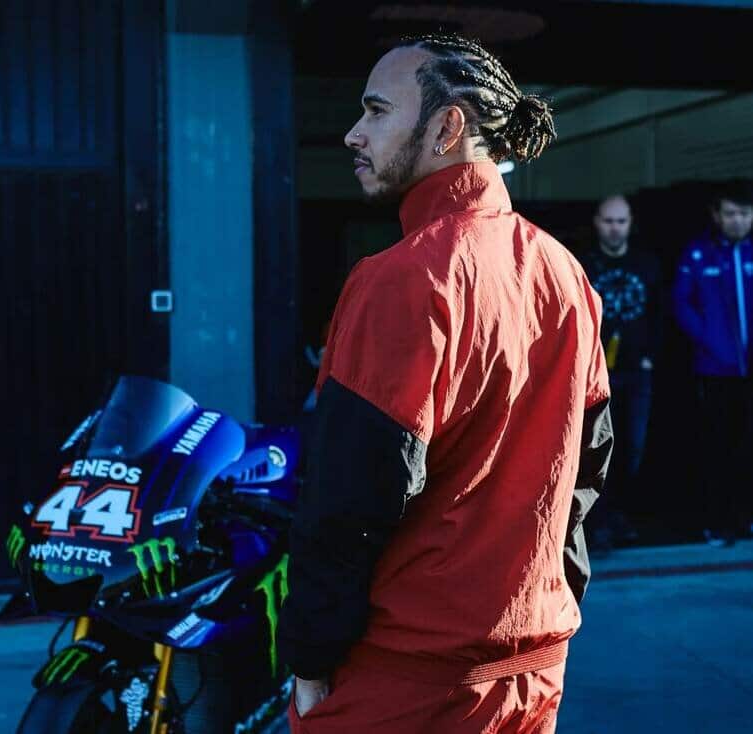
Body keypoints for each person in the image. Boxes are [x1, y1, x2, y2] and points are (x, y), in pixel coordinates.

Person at [276, 34, 613, 734]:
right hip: (533, 670)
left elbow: (349, 499)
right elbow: (586, 473)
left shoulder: (401, 277)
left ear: (447, 127)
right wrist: (543, 603)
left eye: (376, 111)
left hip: (408, 683)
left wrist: (309, 657)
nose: (354, 133)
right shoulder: (568, 275)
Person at [672, 179, 753, 547]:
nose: (738, 221)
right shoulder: (698, 254)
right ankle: (717, 522)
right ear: (717, 215)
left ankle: (745, 518)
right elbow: (681, 304)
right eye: (731, 214)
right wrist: (709, 342)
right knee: (717, 447)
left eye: (745, 214)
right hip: (715, 370)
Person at [579, 195, 660, 549]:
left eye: (621, 221)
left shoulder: (647, 265)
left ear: (630, 224)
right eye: (609, 221)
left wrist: (649, 357)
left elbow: (661, 313)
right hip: (595, 376)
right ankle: (599, 522)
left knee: (632, 447)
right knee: (596, 448)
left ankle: (622, 519)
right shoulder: (583, 265)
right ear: (597, 222)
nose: (615, 228)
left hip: (637, 373)